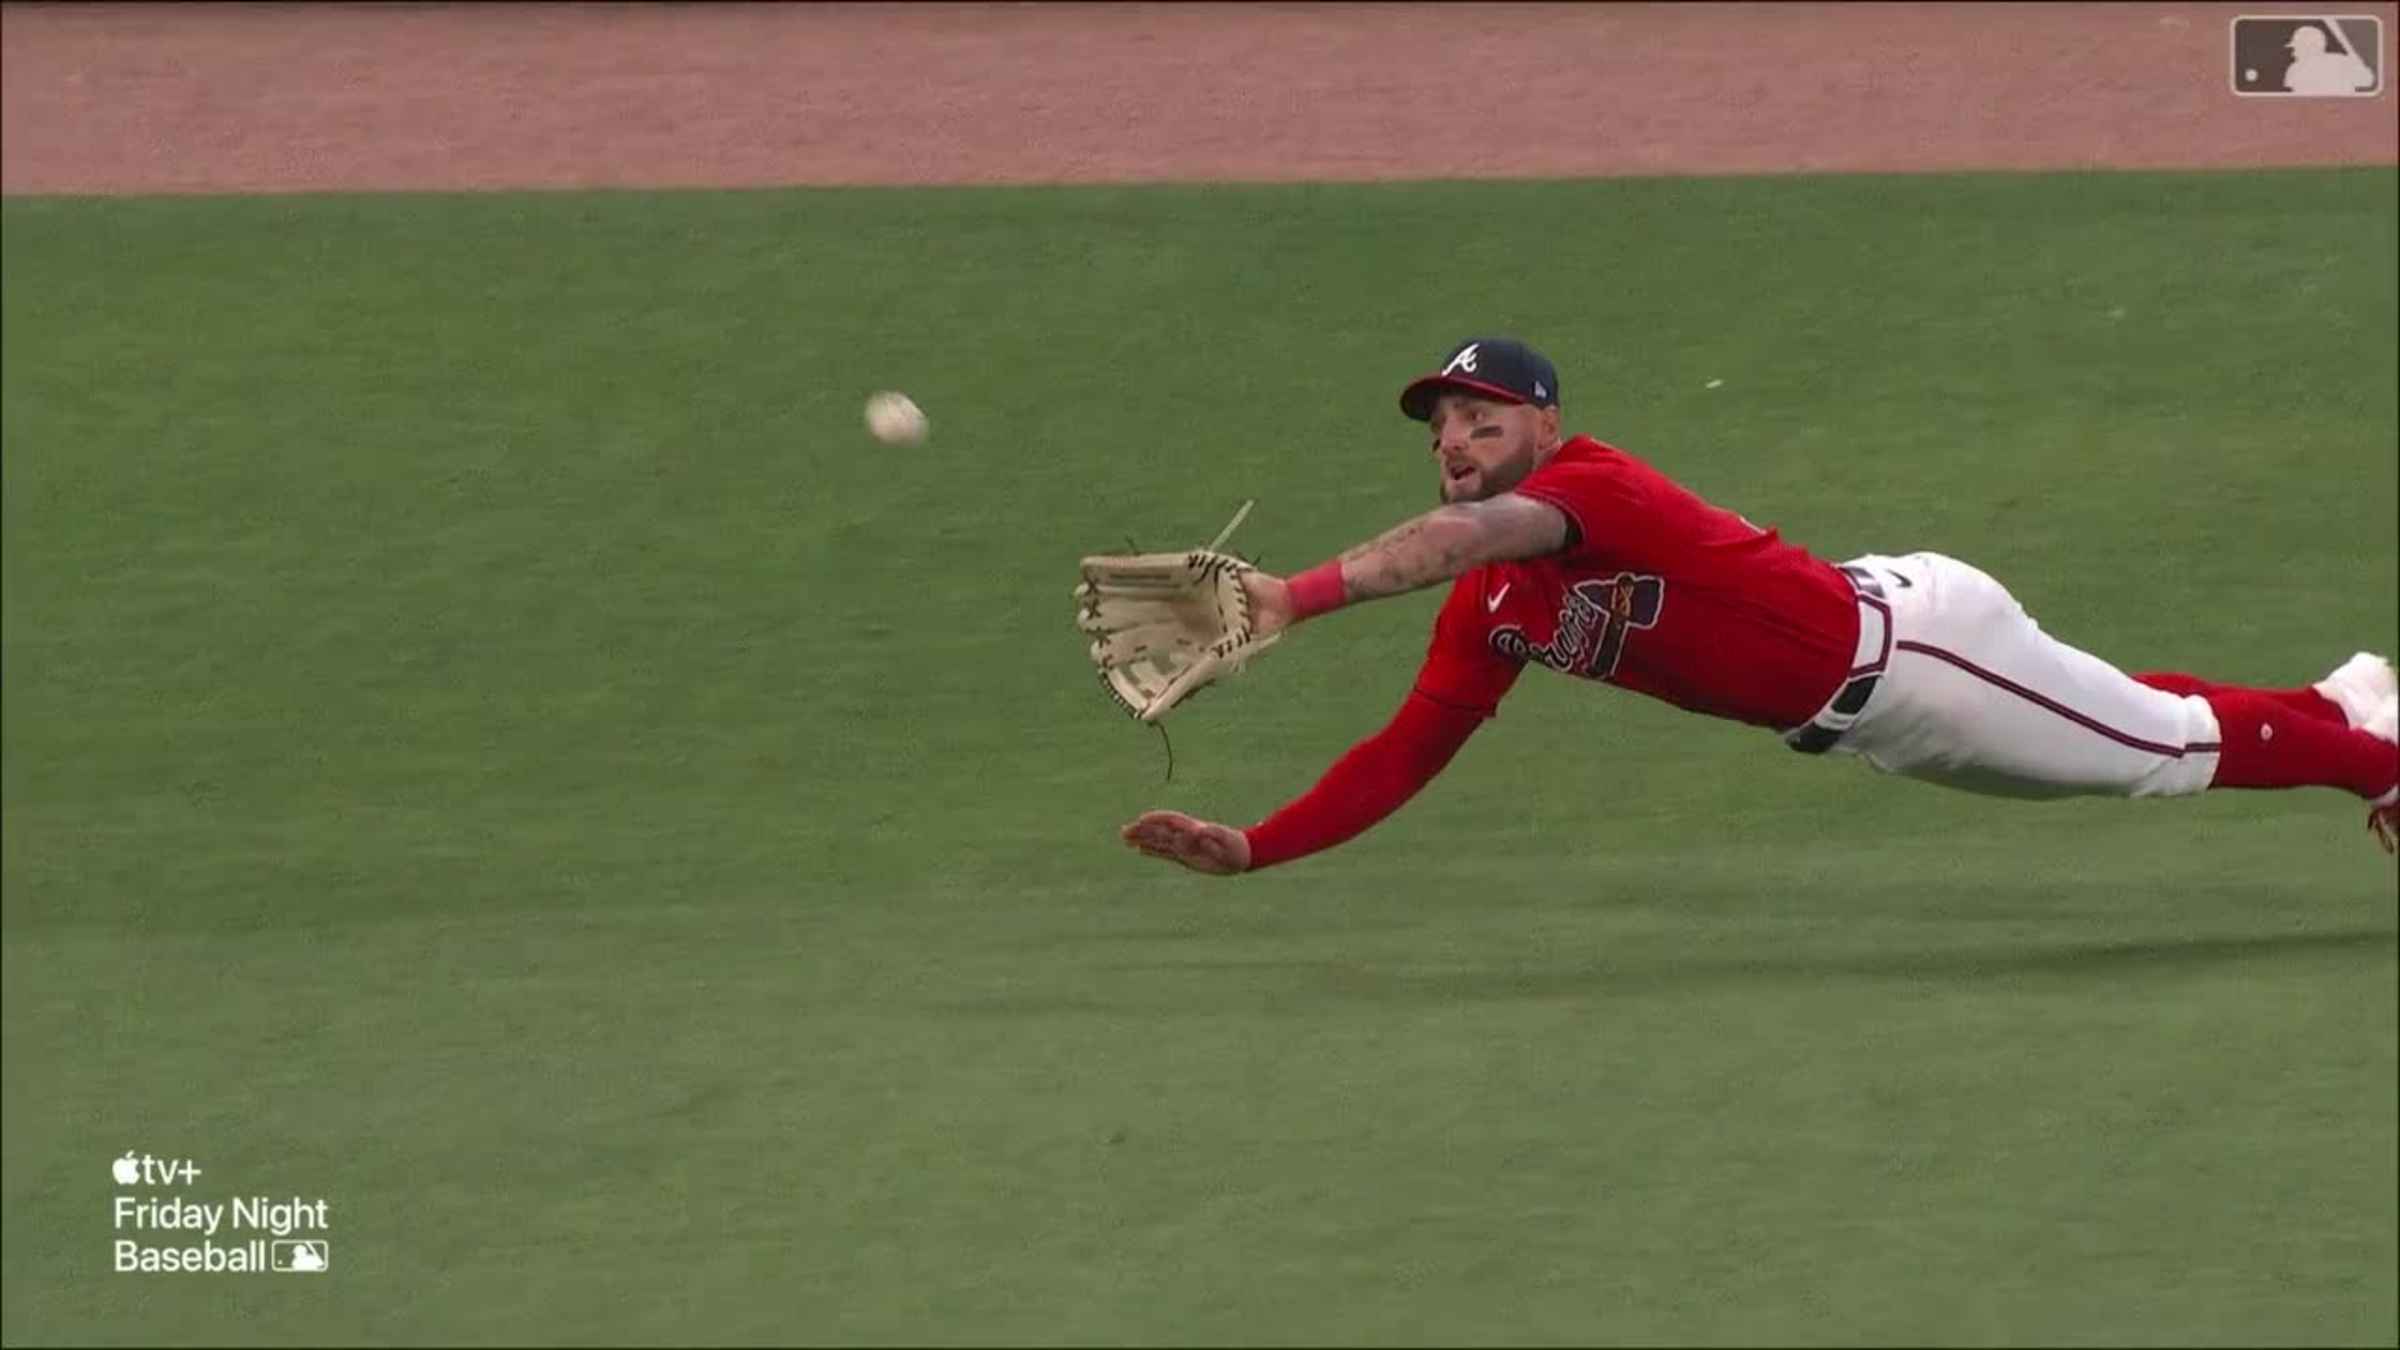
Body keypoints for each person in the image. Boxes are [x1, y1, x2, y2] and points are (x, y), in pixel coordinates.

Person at [1118, 337, 2400, 874]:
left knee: (2160, 754)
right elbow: (1404, 754)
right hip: (1884, 715)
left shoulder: (1587, 486)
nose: (1455, 438)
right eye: (1441, 424)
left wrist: (1293, 595)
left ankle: (2376, 764)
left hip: (1924, 656)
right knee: (2132, 725)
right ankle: (2343, 703)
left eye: (1480, 415)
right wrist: (1256, 846)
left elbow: (1471, 534)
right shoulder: (1495, 605)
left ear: (1543, 424)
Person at [2282, 23, 2375, 96]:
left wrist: (2359, 66)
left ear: (2310, 47)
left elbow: (2367, 81)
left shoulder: (2295, 68)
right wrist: (2359, 65)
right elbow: (2367, 81)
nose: (2294, 53)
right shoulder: (2343, 61)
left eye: (2298, 47)